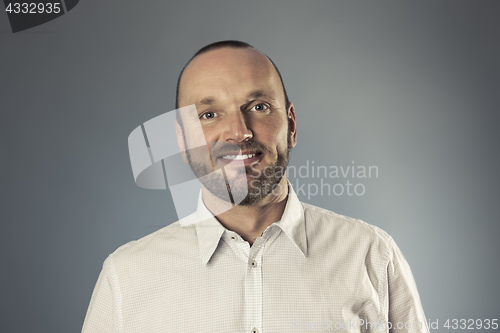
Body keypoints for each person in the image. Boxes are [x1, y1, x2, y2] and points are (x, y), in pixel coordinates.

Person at [82, 40, 429, 333]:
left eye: (259, 107)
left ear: (290, 124)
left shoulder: (372, 255)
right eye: (209, 114)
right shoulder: (126, 277)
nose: (239, 132)